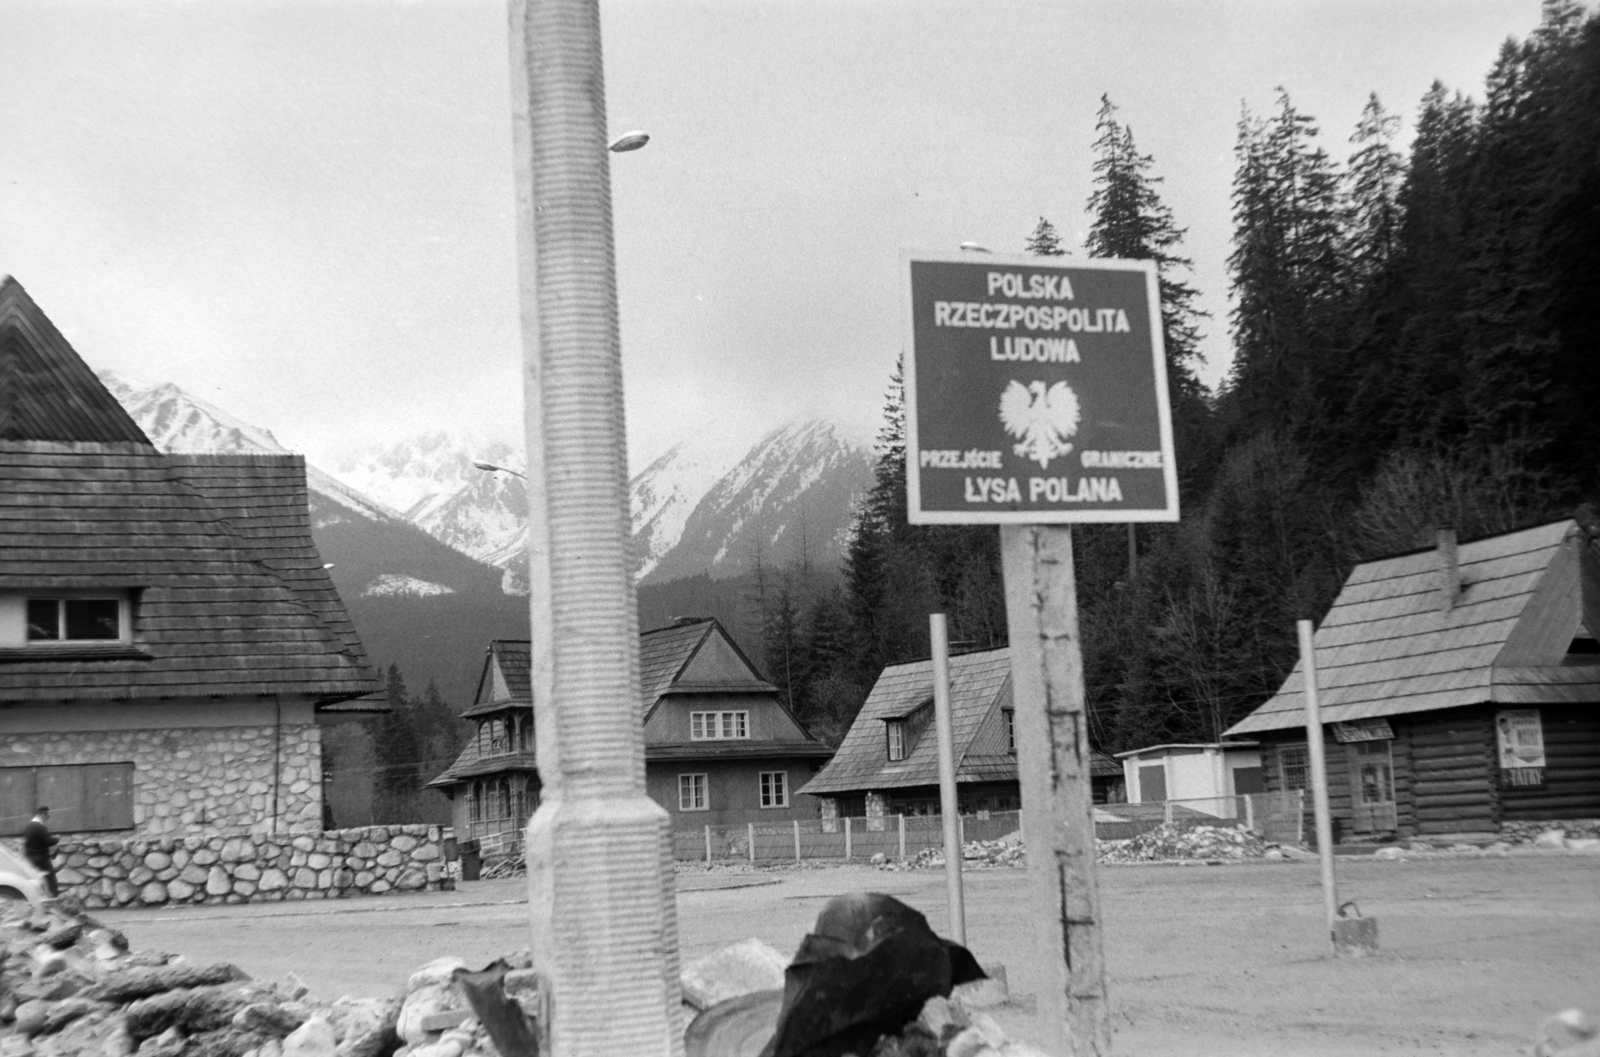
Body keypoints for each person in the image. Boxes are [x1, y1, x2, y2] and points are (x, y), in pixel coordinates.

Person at [22, 805, 60, 898]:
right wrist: (57, 838)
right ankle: (54, 900)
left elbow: (25, 843)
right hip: (42, 858)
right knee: (51, 880)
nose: (47, 818)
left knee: (35, 881)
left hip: (30, 858)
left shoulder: (28, 827)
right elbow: (48, 841)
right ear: (42, 814)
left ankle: (36, 899)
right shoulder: (39, 827)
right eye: (47, 816)